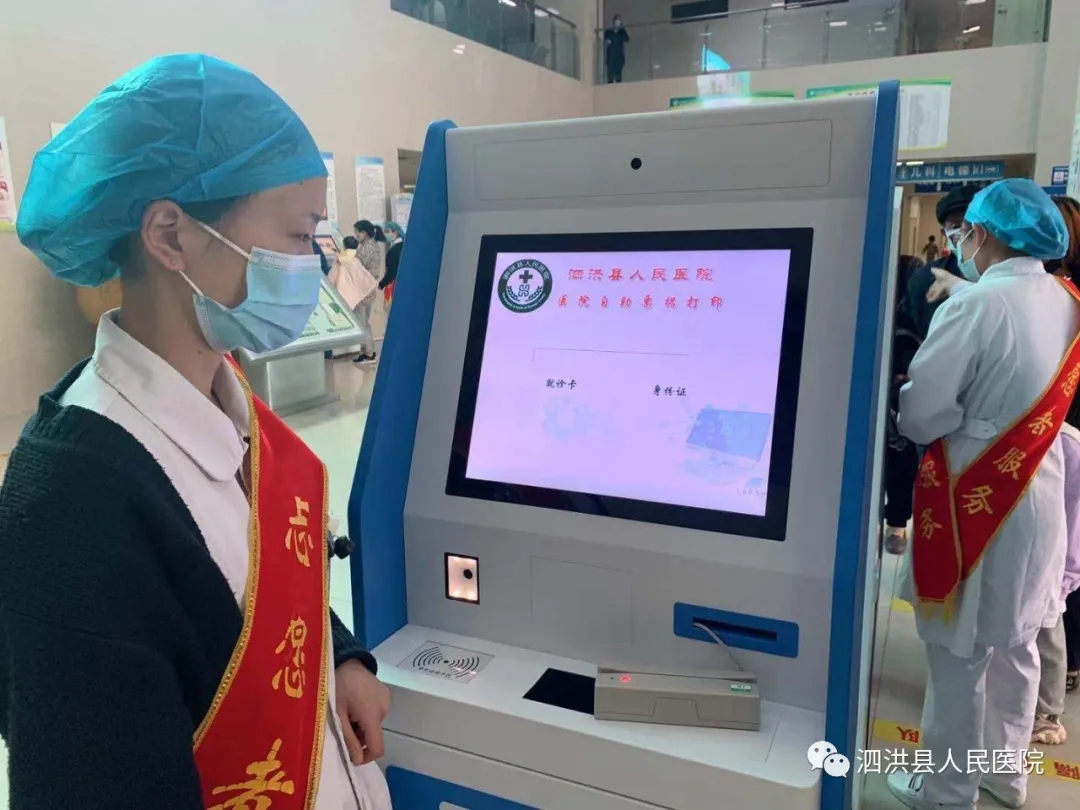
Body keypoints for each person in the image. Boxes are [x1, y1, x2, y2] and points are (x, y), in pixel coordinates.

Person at [0, 54, 392, 809]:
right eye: (298, 234)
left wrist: (339, 656)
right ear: (170, 236)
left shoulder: (229, 401)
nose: (311, 266)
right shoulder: (73, 500)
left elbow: (255, 582)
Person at [887, 178, 1074, 810]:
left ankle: (947, 791)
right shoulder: (1067, 299)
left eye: (965, 230)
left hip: (977, 490)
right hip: (1039, 485)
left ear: (984, 232)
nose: (960, 241)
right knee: (1017, 644)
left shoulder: (976, 306)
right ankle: (1005, 778)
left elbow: (923, 414)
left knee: (958, 652)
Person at [883, 255, 924, 555]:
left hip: (900, 404)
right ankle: (896, 527)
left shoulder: (914, 319)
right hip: (899, 406)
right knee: (900, 466)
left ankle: (896, 525)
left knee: (899, 465)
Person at [905, 184, 981, 339]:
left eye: (972, 225)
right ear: (944, 233)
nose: (965, 232)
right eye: (957, 226)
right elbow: (909, 332)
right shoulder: (925, 279)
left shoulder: (1009, 275)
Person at [331, 236, 380, 363]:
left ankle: (368, 353)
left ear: (344, 246)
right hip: (368, 292)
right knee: (366, 324)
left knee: (362, 325)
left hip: (359, 297)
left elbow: (334, 279)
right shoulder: (355, 259)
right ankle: (369, 351)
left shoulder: (342, 260)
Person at [380, 220, 405, 309]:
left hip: (396, 284)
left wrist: (381, 284)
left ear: (395, 232)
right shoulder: (402, 245)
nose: (385, 234)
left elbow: (393, 270)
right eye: (384, 232)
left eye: (387, 231)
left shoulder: (396, 249)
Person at [603, 15, 629, 84]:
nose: (617, 22)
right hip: (610, 57)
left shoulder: (621, 33)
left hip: (619, 57)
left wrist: (622, 28)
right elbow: (604, 40)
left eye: (619, 20)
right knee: (610, 77)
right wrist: (607, 41)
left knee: (618, 77)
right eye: (616, 20)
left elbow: (627, 39)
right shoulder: (608, 32)